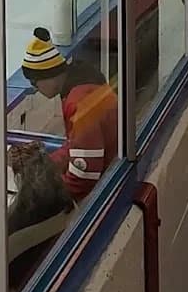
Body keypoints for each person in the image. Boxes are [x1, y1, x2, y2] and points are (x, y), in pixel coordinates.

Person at [21, 28, 118, 202]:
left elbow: (85, 174)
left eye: (35, 83)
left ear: (49, 75)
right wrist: (49, 165)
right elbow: (78, 144)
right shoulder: (83, 85)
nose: (36, 89)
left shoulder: (78, 103)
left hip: (110, 188)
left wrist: (53, 198)